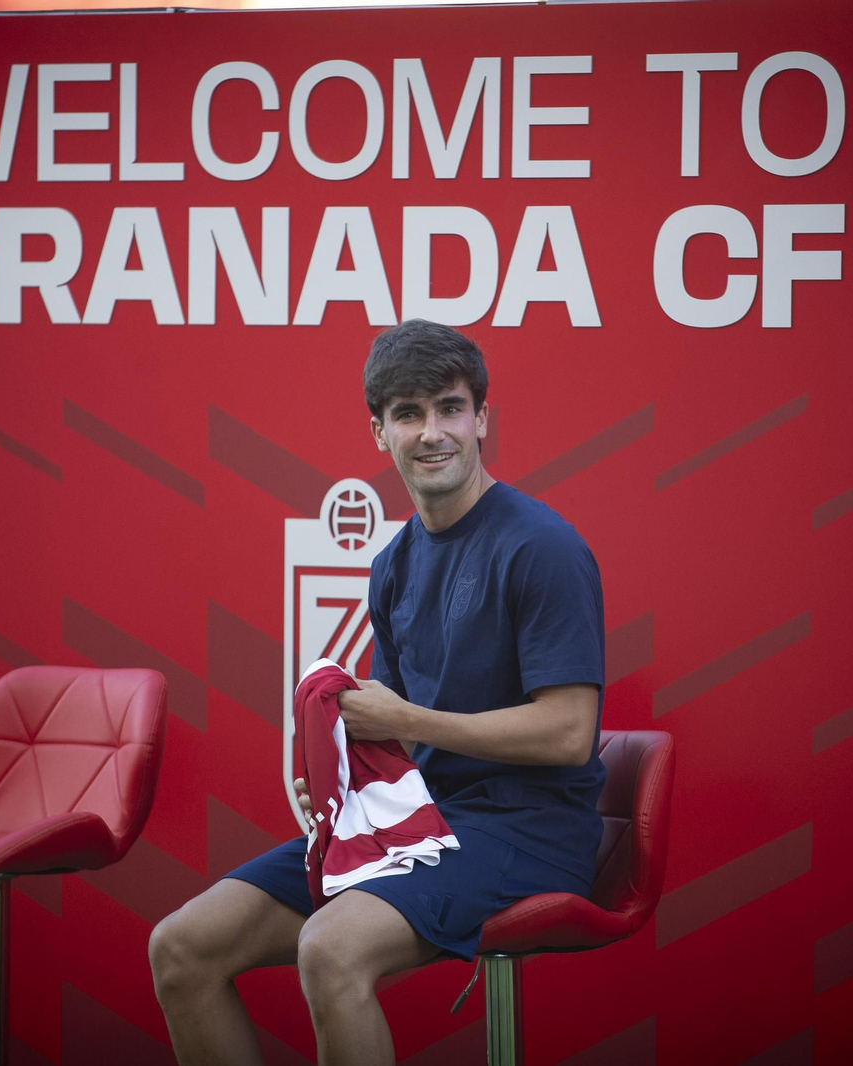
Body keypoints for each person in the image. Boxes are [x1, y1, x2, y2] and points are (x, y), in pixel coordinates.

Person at [148, 319, 606, 1066]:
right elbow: (390, 731)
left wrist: (409, 717)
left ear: (482, 419)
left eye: (450, 408)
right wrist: (334, 769)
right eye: (407, 414)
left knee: (330, 949)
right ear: (379, 432)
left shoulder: (542, 546)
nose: (432, 432)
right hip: (423, 822)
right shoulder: (393, 562)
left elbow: (568, 734)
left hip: (530, 830)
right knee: (182, 946)